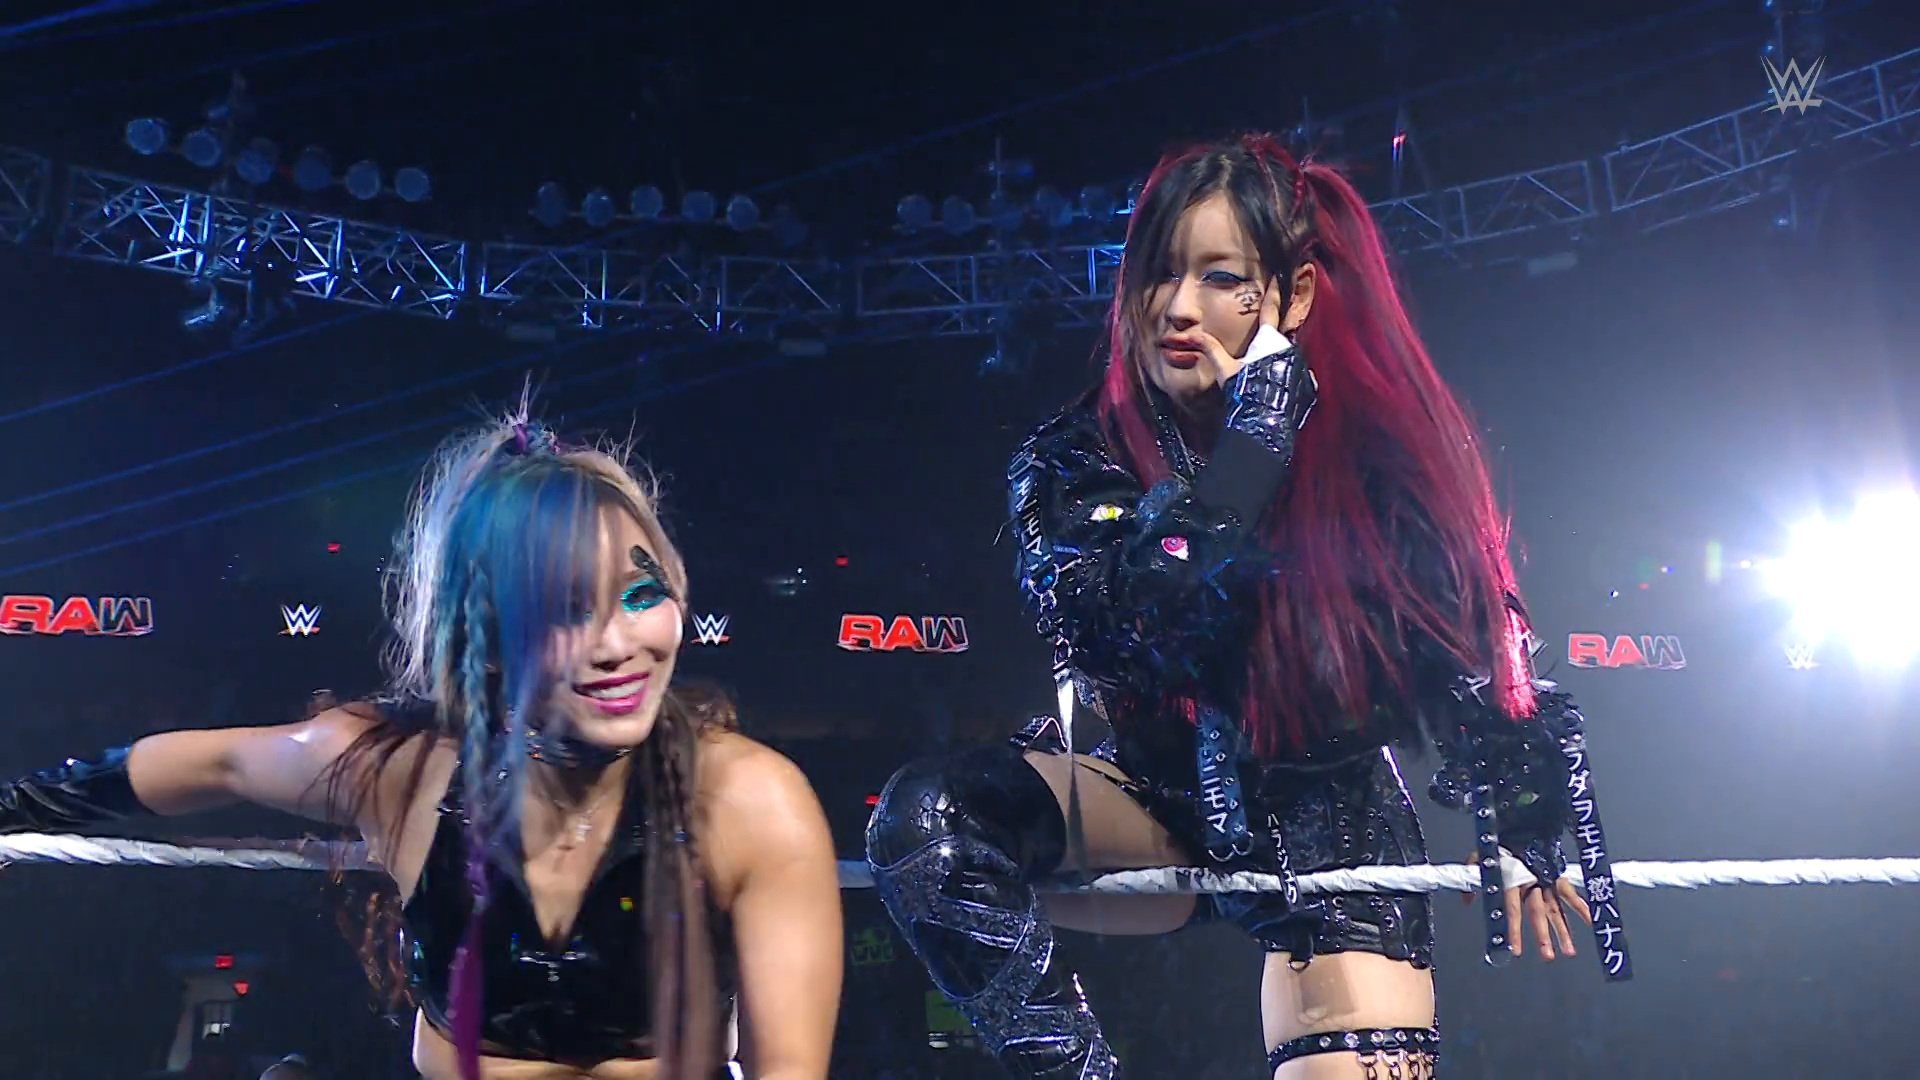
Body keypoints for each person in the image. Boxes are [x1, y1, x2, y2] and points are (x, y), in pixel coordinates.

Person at [865, 134, 1626, 1079]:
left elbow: (1470, 637)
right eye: (1158, 273)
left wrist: (1524, 801)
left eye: (1220, 278)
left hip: (1327, 820)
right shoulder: (1075, 455)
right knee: (927, 821)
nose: (1178, 308)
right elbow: (1126, 629)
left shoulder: (1374, 456)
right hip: (1146, 794)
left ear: (1290, 296)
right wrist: (1253, 445)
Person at [0, 408, 844, 1080]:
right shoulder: (401, 774)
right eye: (564, 609)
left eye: (640, 594)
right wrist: (15, 809)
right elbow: (211, 763)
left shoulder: (747, 802)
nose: (619, 644)